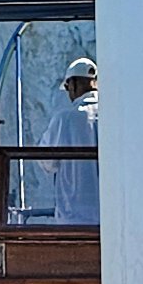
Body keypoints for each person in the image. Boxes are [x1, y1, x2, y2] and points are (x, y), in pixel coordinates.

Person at [35, 55, 99, 223]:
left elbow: (46, 162)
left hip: (74, 218)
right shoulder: (116, 116)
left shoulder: (65, 118)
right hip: (112, 217)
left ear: (73, 84)